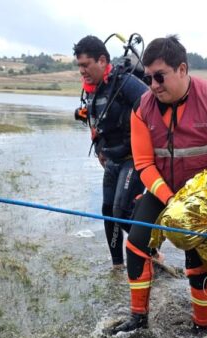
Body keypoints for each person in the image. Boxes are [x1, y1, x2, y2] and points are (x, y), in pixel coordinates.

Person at [109, 35, 207, 335]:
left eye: (159, 77)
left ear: (182, 69)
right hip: (163, 190)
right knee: (136, 243)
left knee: (197, 256)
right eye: (148, 78)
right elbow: (144, 163)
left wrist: (195, 201)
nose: (153, 85)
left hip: (204, 193)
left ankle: (202, 325)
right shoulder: (141, 108)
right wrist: (170, 199)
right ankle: (138, 318)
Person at [73, 35, 149, 269]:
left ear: (102, 61)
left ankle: (151, 251)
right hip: (112, 159)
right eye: (79, 66)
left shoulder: (125, 82)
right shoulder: (91, 90)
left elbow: (153, 107)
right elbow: (96, 123)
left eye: (86, 65)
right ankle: (117, 266)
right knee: (108, 211)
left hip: (134, 158)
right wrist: (99, 150)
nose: (82, 71)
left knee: (121, 211)